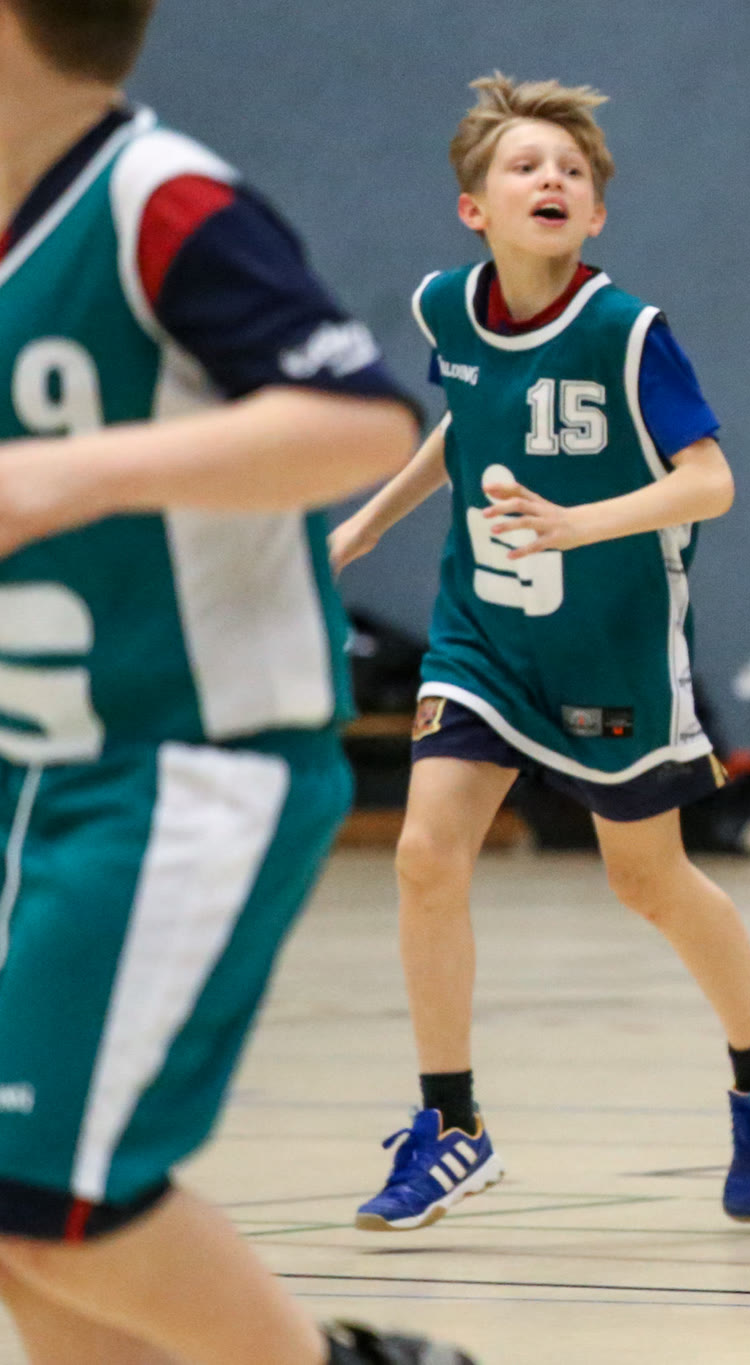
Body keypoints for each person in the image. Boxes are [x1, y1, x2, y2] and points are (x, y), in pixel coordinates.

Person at [0, 1, 476, 1361]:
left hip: (183, 766)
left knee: (51, 1202)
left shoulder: (157, 199)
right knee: (29, 1222)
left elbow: (359, 421)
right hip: (35, 773)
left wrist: (61, 476)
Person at [330, 74, 750, 1233]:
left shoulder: (626, 332)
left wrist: (579, 524)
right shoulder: (447, 309)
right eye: (525, 165)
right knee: (424, 855)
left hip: (612, 641)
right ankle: (451, 1126)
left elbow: (711, 480)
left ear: (595, 212)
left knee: (644, 878)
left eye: (571, 170)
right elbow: (467, 421)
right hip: (484, 632)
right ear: (474, 208)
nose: (550, 179)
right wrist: (367, 522)